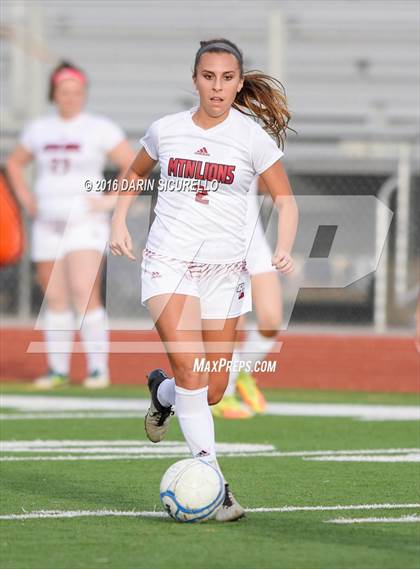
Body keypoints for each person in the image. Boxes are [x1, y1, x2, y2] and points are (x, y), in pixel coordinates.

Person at [110, 38, 298, 521]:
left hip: (225, 272)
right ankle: (216, 485)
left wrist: (282, 245)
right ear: (195, 79)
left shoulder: (253, 137)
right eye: (209, 76)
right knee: (194, 372)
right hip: (169, 264)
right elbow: (133, 173)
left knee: (211, 390)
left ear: (239, 82)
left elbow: (286, 201)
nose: (218, 87)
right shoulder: (166, 130)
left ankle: (162, 393)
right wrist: (117, 222)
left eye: (227, 78)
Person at [6, 61, 134, 389]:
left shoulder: (98, 127)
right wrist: (26, 199)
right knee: (56, 296)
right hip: (47, 221)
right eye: (65, 92)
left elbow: (131, 164)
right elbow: (15, 164)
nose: (71, 98)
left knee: (84, 291)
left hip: (85, 222)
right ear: (55, 94)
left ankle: (97, 369)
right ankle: (58, 369)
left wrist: (108, 200)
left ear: (84, 94)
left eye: (77, 92)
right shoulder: (39, 129)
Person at [212, 176, 284, 419]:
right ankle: (224, 395)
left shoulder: (254, 140)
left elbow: (274, 187)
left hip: (253, 241)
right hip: (219, 242)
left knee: (272, 320)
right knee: (233, 325)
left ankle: (242, 371)